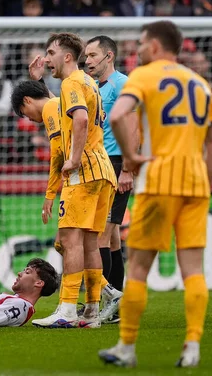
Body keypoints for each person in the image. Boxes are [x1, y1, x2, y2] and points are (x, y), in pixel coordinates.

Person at [99, 20, 212, 368]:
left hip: (160, 180)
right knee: (193, 270)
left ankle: (126, 347)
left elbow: (121, 115)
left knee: (138, 267)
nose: (137, 48)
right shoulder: (200, 84)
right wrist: (204, 182)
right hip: (195, 183)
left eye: (141, 42)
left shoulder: (145, 75)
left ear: (155, 46)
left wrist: (131, 157)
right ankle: (193, 346)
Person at [28, 33, 117, 329]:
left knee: (69, 240)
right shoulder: (88, 81)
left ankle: (66, 309)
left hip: (85, 170)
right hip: (104, 170)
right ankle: (91, 312)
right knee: (91, 242)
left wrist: (74, 158)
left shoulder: (71, 82)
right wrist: (39, 82)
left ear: (67, 56)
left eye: (51, 52)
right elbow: (68, 115)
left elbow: (79, 119)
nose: (47, 58)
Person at [84, 35, 134, 323]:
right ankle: (115, 307)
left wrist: (127, 168)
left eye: (92, 55)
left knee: (102, 234)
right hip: (100, 164)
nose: (87, 60)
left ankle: (101, 303)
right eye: (86, 56)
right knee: (112, 238)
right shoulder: (95, 87)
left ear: (109, 56)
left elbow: (133, 125)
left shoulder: (122, 84)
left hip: (116, 164)